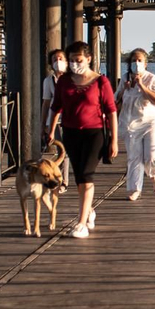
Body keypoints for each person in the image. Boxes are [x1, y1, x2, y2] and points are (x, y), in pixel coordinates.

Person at [46, 41, 118, 239]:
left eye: (78, 60)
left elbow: (111, 111)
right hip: (70, 132)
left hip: (94, 133)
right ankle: (89, 210)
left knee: (87, 174)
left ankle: (81, 223)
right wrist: (50, 130)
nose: (74, 64)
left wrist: (114, 141)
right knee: (79, 177)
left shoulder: (101, 82)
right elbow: (55, 107)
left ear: (88, 59)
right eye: (71, 61)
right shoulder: (64, 82)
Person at [118, 47, 155, 201]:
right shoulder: (125, 78)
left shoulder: (151, 78)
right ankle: (134, 188)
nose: (136, 63)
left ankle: (154, 175)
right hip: (131, 123)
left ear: (145, 64)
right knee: (134, 157)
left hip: (150, 122)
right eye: (133, 60)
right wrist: (124, 89)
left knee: (150, 155)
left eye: (139, 61)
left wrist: (141, 86)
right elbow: (114, 101)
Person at [39, 48, 68, 187]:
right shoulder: (48, 81)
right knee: (62, 150)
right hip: (55, 120)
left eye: (61, 59)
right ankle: (62, 180)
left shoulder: (72, 78)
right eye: (55, 60)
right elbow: (46, 103)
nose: (58, 62)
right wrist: (43, 123)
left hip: (71, 118)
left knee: (70, 149)